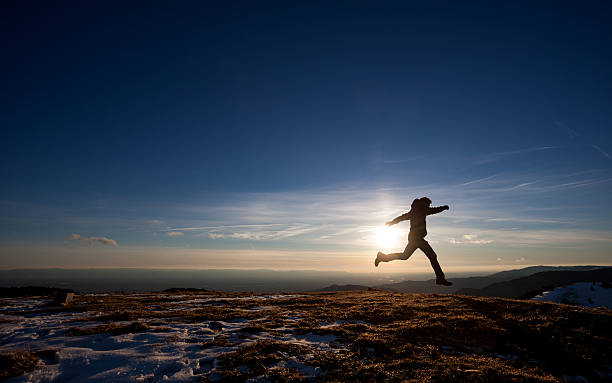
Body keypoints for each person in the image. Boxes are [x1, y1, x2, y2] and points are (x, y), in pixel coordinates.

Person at [375, 197, 453, 286]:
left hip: (414, 238)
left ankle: (382, 257)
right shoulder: (422, 210)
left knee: (405, 256)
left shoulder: (414, 211)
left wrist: (392, 222)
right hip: (417, 239)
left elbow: (402, 217)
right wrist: (443, 207)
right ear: (424, 203)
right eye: (428, 204)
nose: (428, 206)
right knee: (432, 256)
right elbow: (433, 210)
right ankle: (440, 279)